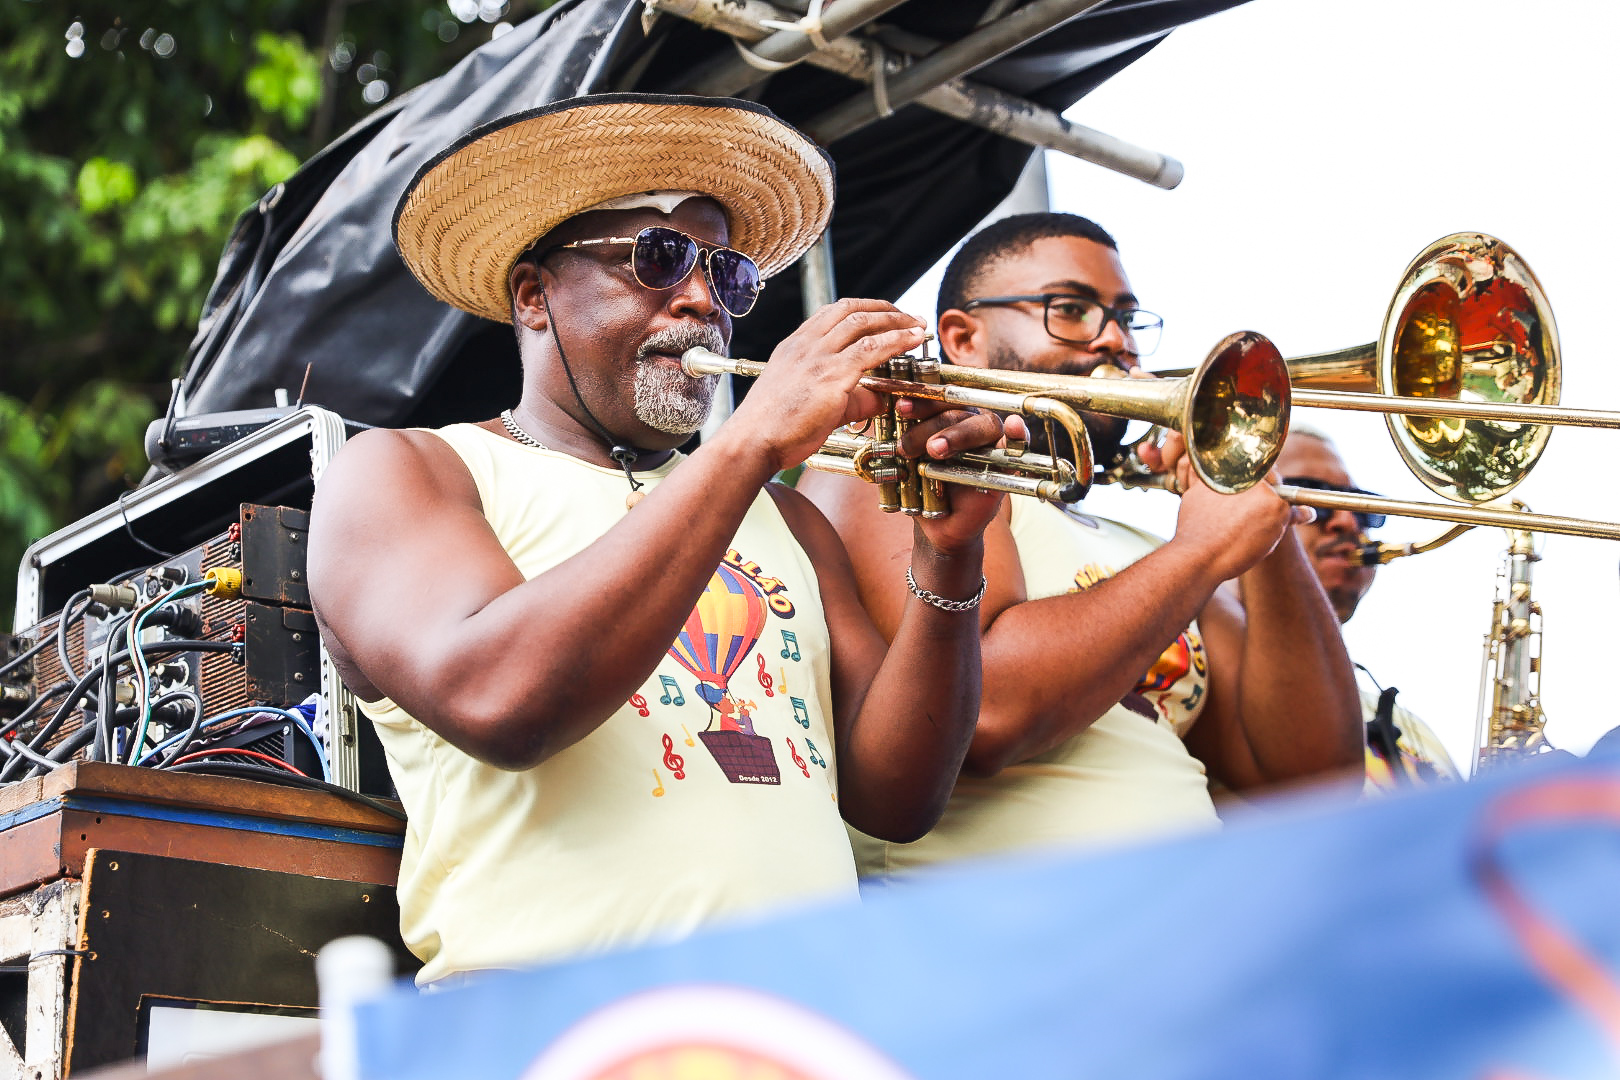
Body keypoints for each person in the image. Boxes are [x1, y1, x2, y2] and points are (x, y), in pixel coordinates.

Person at [306, 94, 1007, 985]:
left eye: (727, 274)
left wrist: (950, 554)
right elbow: (500, 699)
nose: (699, 299)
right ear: (534, 296)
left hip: (803, 1024)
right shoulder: (410, 471)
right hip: (558, 1031)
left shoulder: (787, 518)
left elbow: (896, 800)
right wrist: (751, 444)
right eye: (658, 257)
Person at [800, 211, 1365, 877]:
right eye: (1071, 309)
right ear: (964, 338)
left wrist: (1257, 506)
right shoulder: (890, 464)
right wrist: (1200, 553)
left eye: (1126, 318)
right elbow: (984, 714)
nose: (1115, 341)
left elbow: (1311, 780)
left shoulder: (1140, 543)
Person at [1271, 425, 1460, 791]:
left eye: (1361, 507)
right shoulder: (1194, 674)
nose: (1347, 520)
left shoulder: (1416, 732)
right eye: (1316, 498)